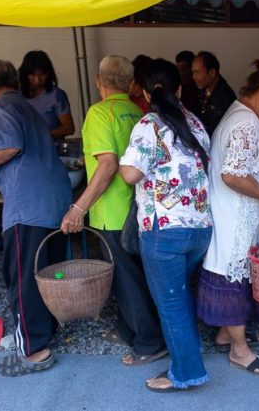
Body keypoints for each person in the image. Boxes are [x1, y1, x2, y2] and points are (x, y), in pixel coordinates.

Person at [0, 59, 71, 376]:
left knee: (23, 276)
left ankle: (33, 350)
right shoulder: (27, 105)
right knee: (48, 271)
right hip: (55, 197)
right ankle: (47, 331)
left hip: (28, 202)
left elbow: (9, 147)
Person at [60, 55, 166, 367]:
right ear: (132, 84)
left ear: (98, 81)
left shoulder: (99, 113)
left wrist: (79, 207)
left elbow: (106, 166)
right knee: (139, 276)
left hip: (113, 211)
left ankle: (149, 342)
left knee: (126, 280)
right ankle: (129, 330)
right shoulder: (138, 112)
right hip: (143, 209)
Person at [197, 51, 259, 377]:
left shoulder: (240, 116)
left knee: (234, 272)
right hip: (234, 217)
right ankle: (240, 351)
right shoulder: (245, 124)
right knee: (234, 276)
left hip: (235, 215)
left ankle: (227, 333)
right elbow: (233, 175)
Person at [119, 58, 212, 392]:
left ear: (144, 92)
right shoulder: (196, 123)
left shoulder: (148, 124)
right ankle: (187, 352)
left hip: (165, 230)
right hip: (200, 227)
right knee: (179, 294)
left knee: (170, 302)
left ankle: (186, 372)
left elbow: (131, 173)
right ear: (181, 89)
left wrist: (121, 161)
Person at [18, 50, 75, 139]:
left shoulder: (56, 95)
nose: (37, 80)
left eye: (42, 75)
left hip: (52, 147)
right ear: (25, 74)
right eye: (33, 75)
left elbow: (69, 128)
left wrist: (42, 136)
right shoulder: (17, 95)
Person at [191, 51, 236, 136]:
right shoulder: (203, 89)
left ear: (212, 73)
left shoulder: (225, 97)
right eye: (193, 72)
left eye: (198, 73)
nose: (194, 77)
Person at [175, 50, 200, 116]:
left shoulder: (200, 87)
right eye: (178, 69)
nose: (180, 73)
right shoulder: (176, 87)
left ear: (192, 69)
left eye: (183, 69)